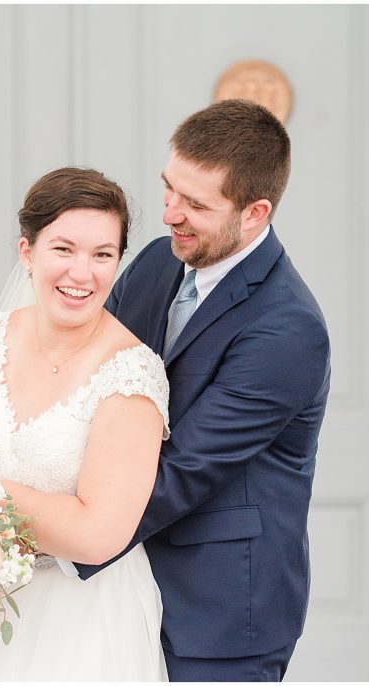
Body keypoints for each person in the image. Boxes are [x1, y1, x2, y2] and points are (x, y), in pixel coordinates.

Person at [74, 99, 332, 681]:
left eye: (196, 204)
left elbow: (182, 470)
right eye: (169, 190)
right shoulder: (155, 265)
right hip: (122, 594)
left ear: (255, 212)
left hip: (219, 617)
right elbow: (83, 387)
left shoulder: (287, 329)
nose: (170, 215)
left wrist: (44, 542)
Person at [0, 167, 171, 681]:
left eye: (102, 255)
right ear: (28, 252)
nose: (82, 273)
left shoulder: (131, 374)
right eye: (63, 249)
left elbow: (97, 536)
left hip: (80, 618)